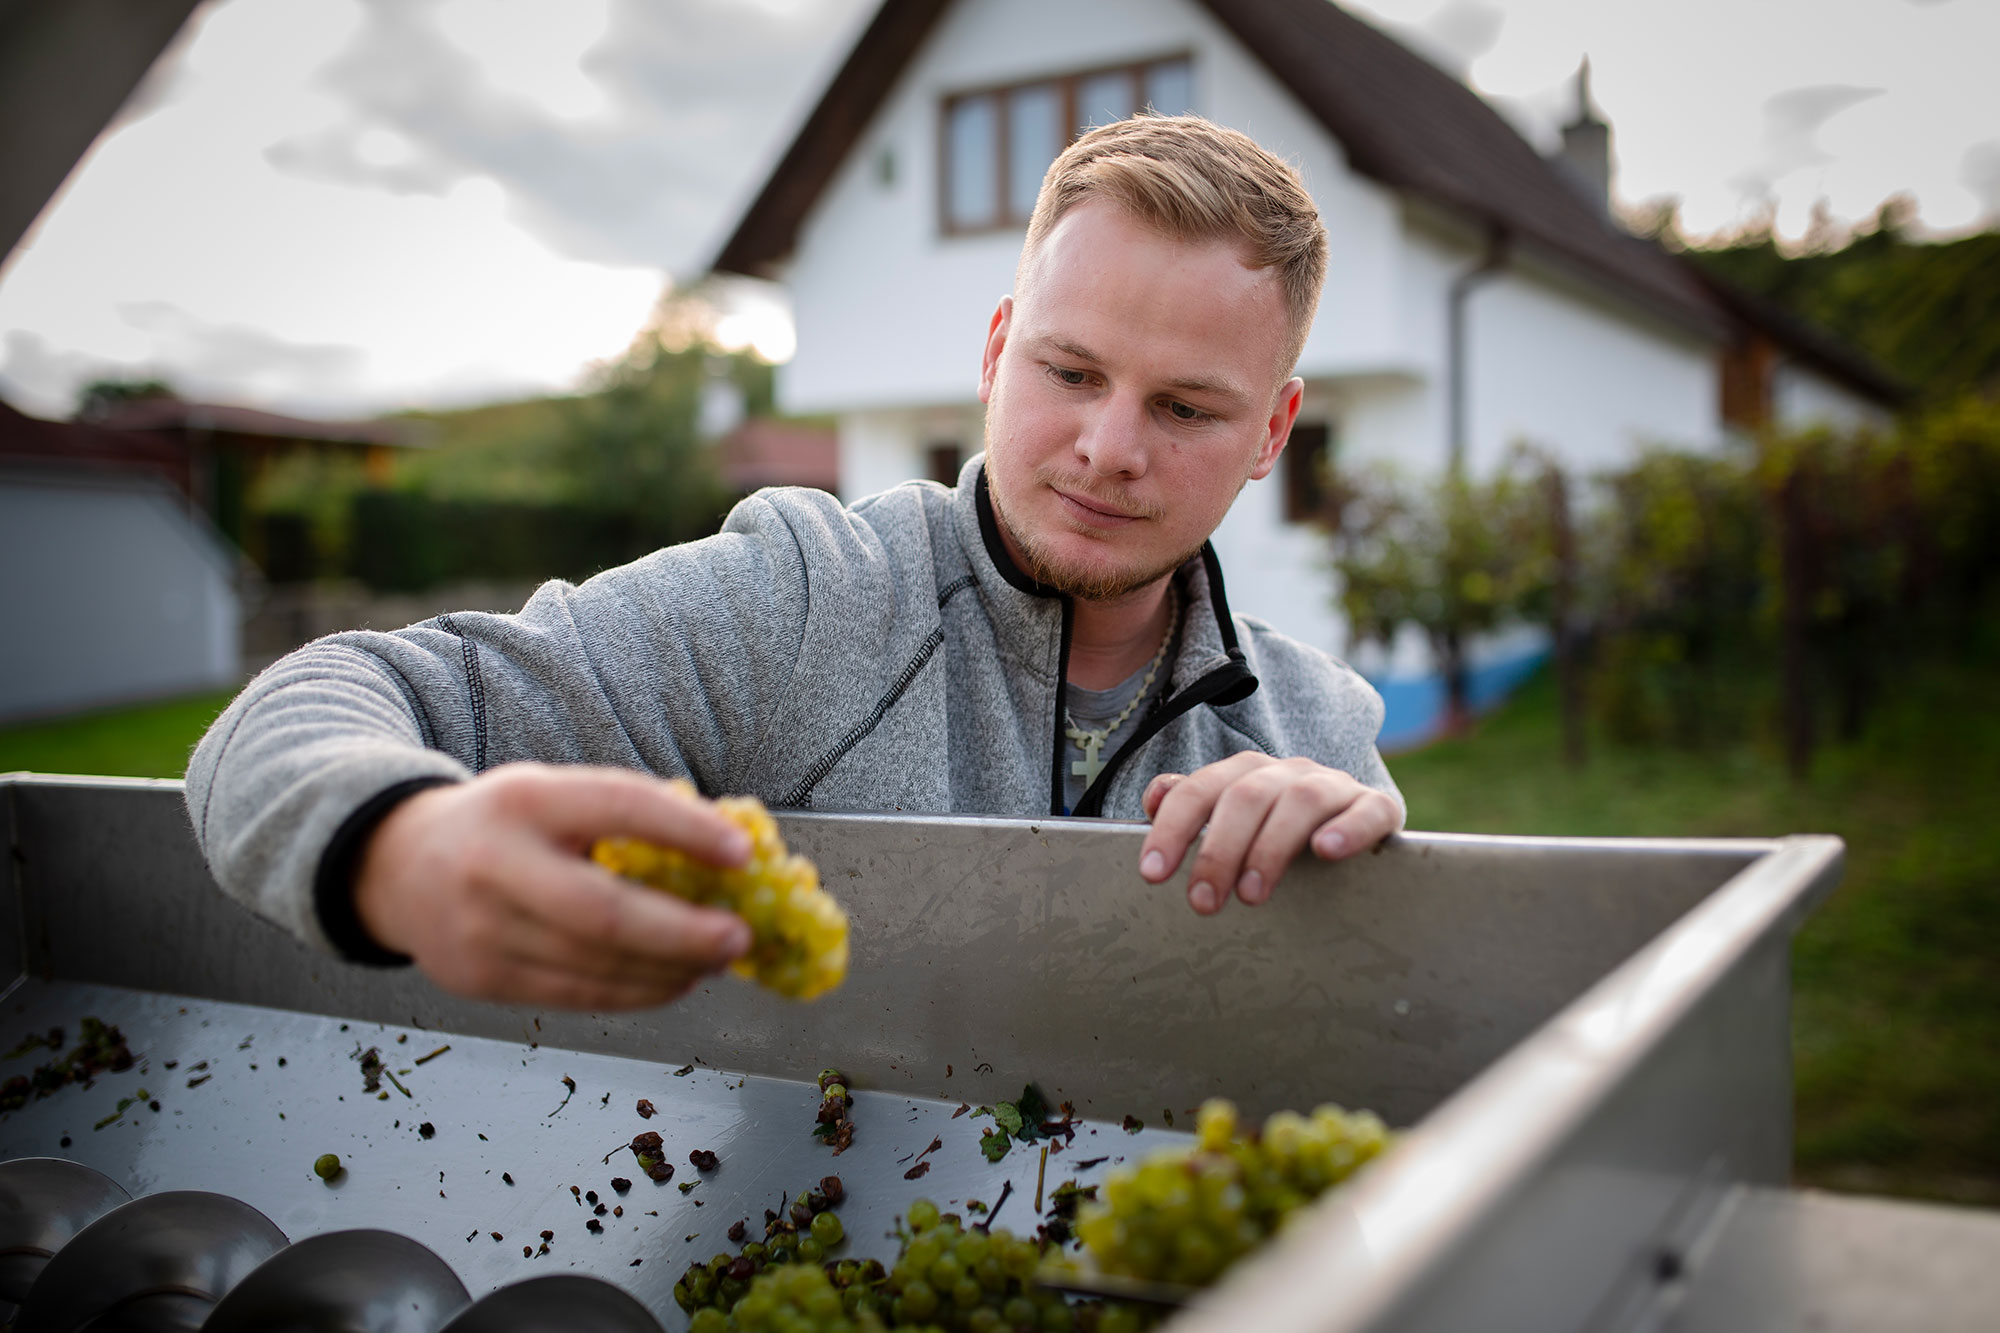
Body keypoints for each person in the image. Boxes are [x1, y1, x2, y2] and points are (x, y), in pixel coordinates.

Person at [184, 115, 1404, 1011]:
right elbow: (307, 705)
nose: (1107, 447)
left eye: (1186, 408)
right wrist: (397, 848)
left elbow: (1391, 1043)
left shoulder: (1313, 729)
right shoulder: (810, 598)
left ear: (1271, 434)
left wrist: (1371, 880)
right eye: (1069, 372)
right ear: (994, 353)